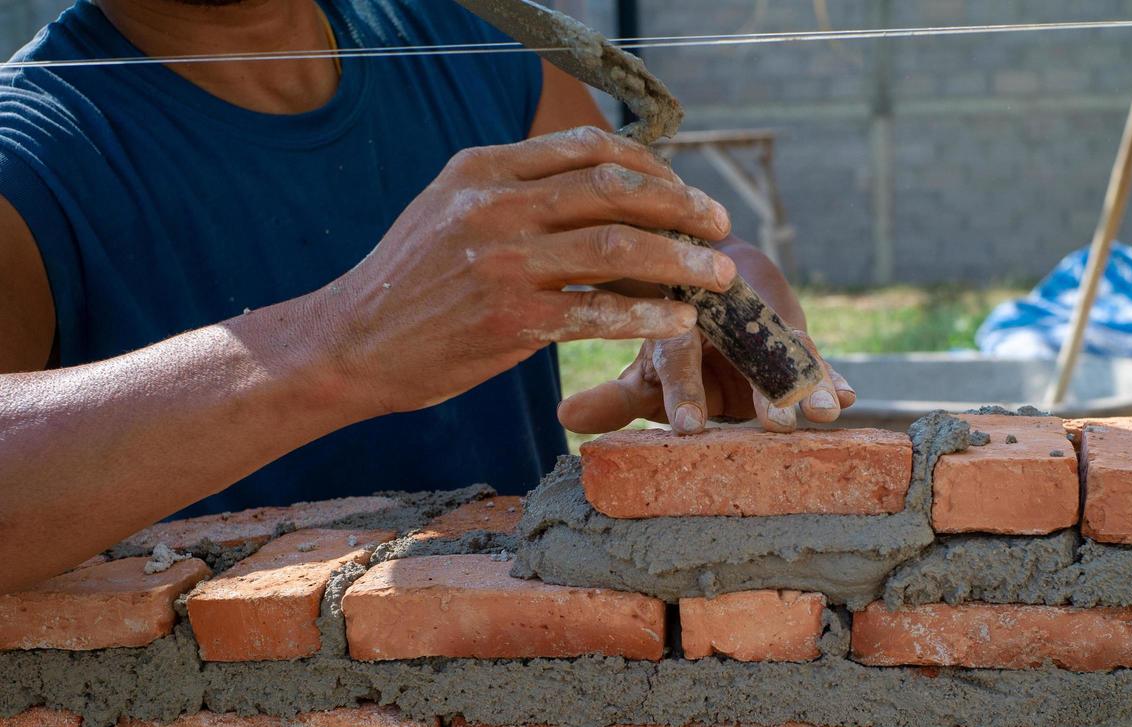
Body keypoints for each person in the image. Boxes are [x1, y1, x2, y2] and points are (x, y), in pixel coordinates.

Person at [0, 0, 853, 593]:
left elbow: (670, 253)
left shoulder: (462, 42)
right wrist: (342, 345)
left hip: (518, 713)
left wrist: (717, 302)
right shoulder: (30, 153)